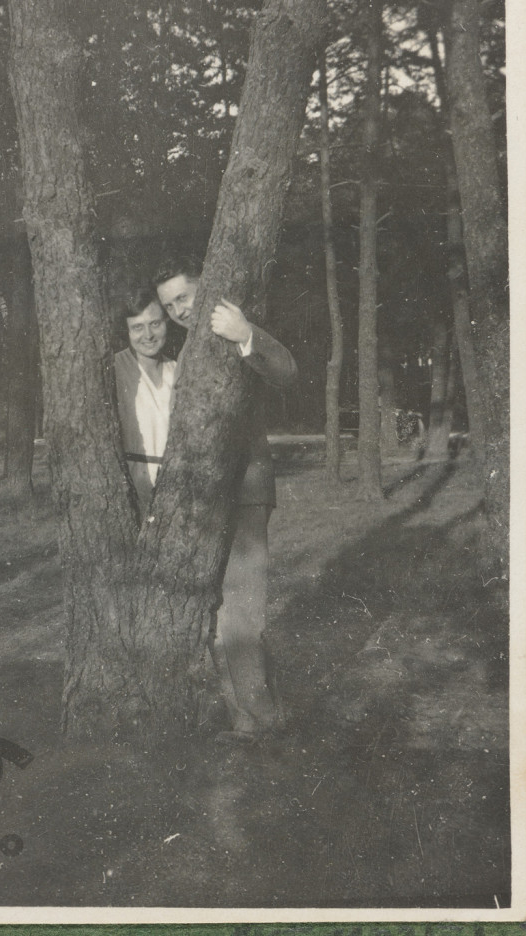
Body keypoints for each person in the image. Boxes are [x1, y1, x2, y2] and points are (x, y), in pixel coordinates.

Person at [154, 257, 298, 745]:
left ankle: (265, 720)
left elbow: (287, 372)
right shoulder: (186, 348)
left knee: (241, 612)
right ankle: (246, 717)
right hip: (202, 497)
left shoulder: (232, 328)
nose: (178, 309)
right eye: (169, 303)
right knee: (215, 611)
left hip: (245, 492)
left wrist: (245, 334)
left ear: (205, 288)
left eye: (184, 296)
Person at [114, 286, 176, 517]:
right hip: (132, 481)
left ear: (166, 322)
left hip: (175, 482)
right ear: (127, 331)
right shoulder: (115, 369)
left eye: (155, 324)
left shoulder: (178, 370)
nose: (148, 335)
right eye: (137, 327)